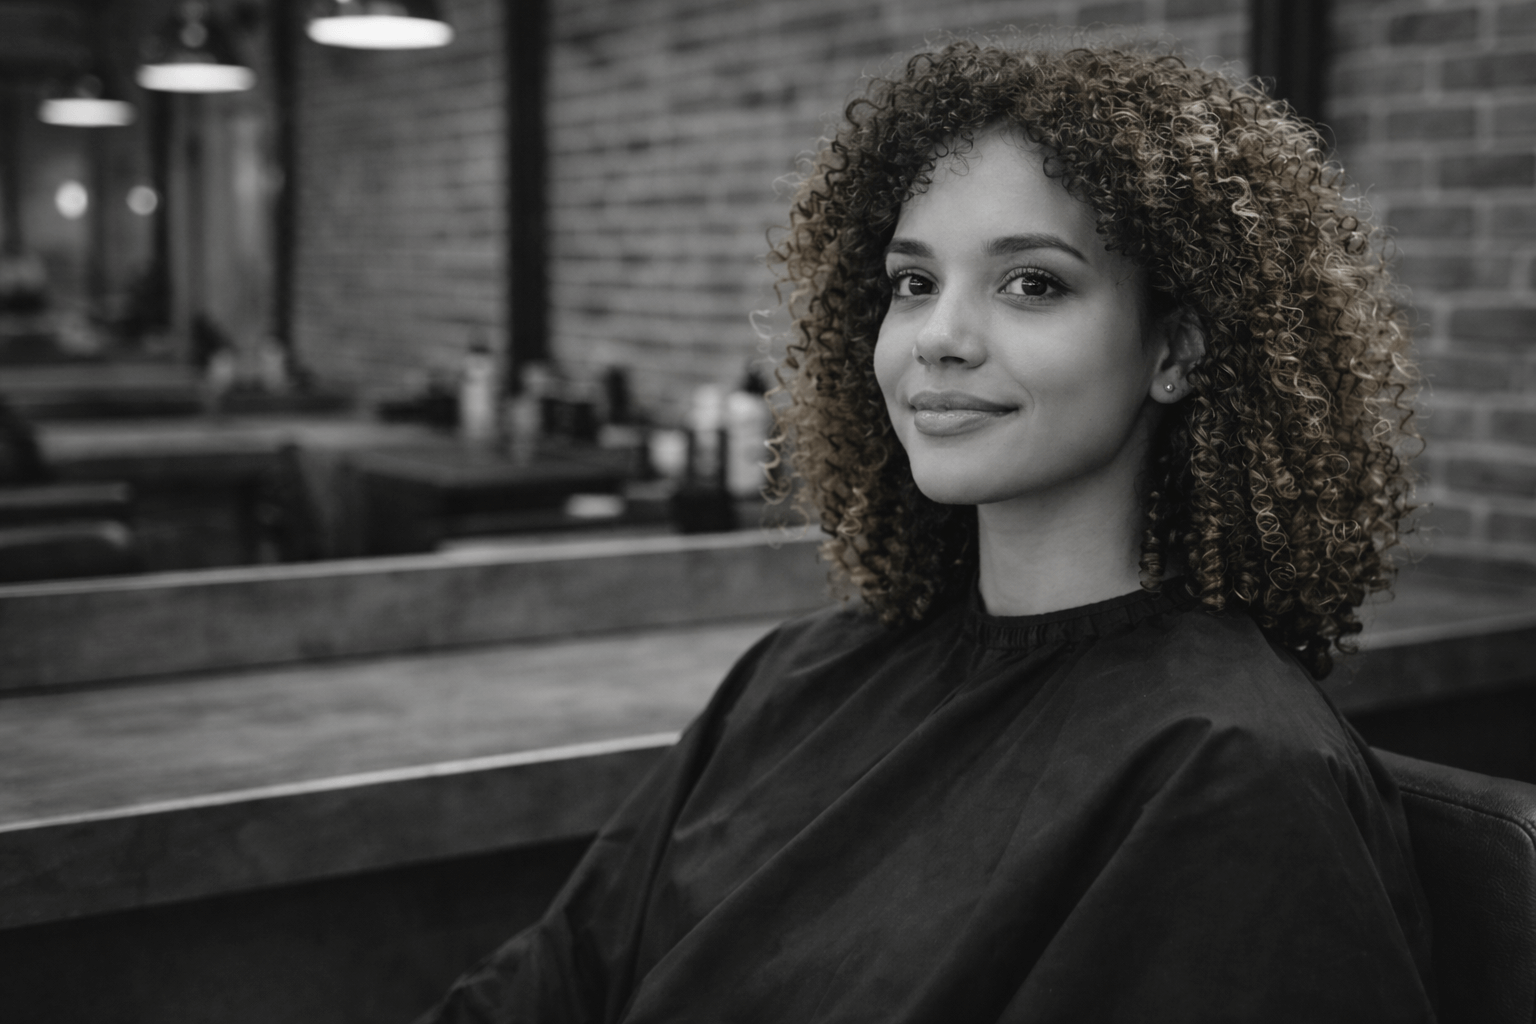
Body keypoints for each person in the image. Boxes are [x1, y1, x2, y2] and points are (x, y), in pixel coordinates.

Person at [419, 41, 1434, 1022]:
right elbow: (551, 983)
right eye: (914, 282)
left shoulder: (1230, 768)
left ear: (1174, 350)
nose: (939, 337)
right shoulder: (795, 678)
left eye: (1032, 282)